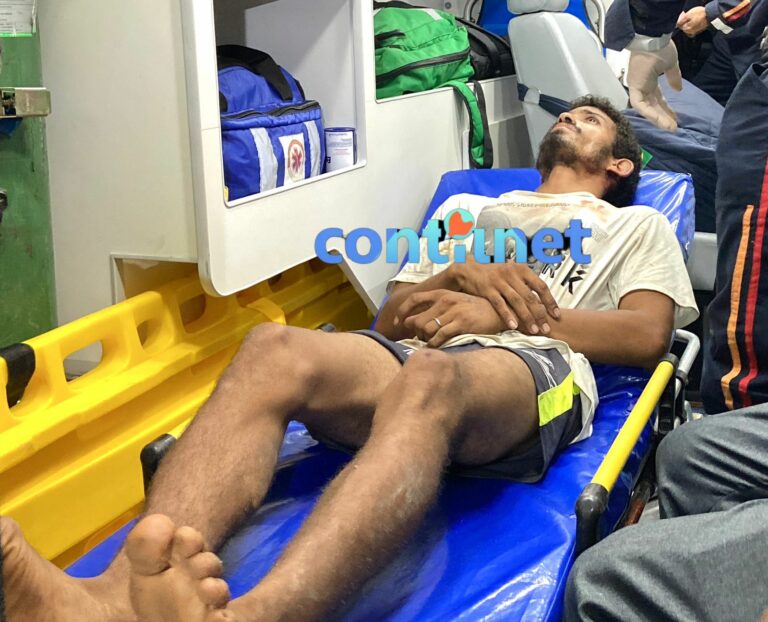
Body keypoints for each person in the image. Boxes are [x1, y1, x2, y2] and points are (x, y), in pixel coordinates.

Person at [0, 96, 697, 622]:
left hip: (535, 368)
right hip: (414, 351)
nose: (569, 117)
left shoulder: (635, 224)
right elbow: (389, 319)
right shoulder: (467, 210)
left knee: (429, 378)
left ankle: (257, 615)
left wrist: (501, 315)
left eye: (588, 120)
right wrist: (453, 276)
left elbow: (645, 336)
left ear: (619, 165)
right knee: (272, 348)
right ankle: (117, 597)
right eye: (567, 113)